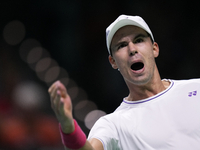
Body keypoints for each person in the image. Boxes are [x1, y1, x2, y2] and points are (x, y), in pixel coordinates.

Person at [48, 14, 200, 150]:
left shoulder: (196, 88)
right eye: (122, 45)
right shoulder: (113, 125)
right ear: (113, 61)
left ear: (154, 49)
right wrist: (68, 127)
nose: (132, 49)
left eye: (139, 40)